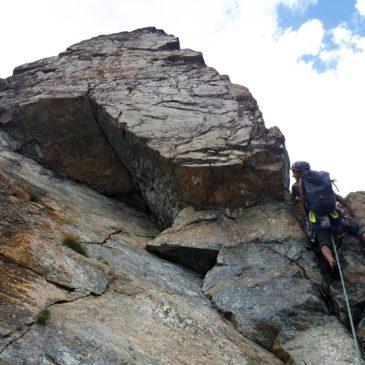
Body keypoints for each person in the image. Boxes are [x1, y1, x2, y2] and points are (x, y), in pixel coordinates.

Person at [290, 161, 365, 278]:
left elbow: (294, 200)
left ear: (298, 172)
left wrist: (297, 198)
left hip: (316, 217)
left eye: (294, 172)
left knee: (323, 242)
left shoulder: (296, 186)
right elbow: (334, 196)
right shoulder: (320, 179)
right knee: (357, 228)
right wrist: (346, 206)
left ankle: (331, 262)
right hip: (333, 212)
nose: (293, 174)